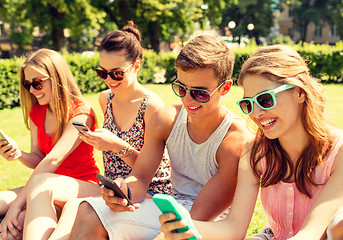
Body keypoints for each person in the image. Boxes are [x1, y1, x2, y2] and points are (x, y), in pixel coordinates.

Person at [68, 34, 251, 240]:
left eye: (200, 93)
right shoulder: (167, 118)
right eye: (181, 88)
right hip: (169, 208)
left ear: (225, 88)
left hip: (206, 226)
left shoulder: (235, 140)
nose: (188, 100)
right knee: (89, 211)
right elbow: (140, 177)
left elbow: (198, 216)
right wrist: (124, 193)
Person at [158, 44, 343, 240]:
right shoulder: (254, 153)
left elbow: (311, 233)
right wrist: (187, 226)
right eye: (248, 104)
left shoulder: (337, 152)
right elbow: (234, 229)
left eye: (265, 100)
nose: (256, 113)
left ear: (299, 92)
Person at [46, 22, 172, 240]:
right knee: (67, 207)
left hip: (149, 194)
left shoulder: (152, 106)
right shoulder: (106, 99)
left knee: (75, 210)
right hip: (111, 190)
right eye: (102, 72)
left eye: (116, 73)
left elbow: (153, 172)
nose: (108, 80)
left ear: (136, 66)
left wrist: (118, 146)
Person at [0, 49, 101, 240]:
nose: (31, 90)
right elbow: (39, 158)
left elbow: (53, 160)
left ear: (57, 78)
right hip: (46, 183)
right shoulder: (38, 112)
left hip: (82, 184)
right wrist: (18, 154)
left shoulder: (81, 114)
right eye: (27, 84)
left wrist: (16, 206)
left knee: (19, 218)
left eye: (37, 83)